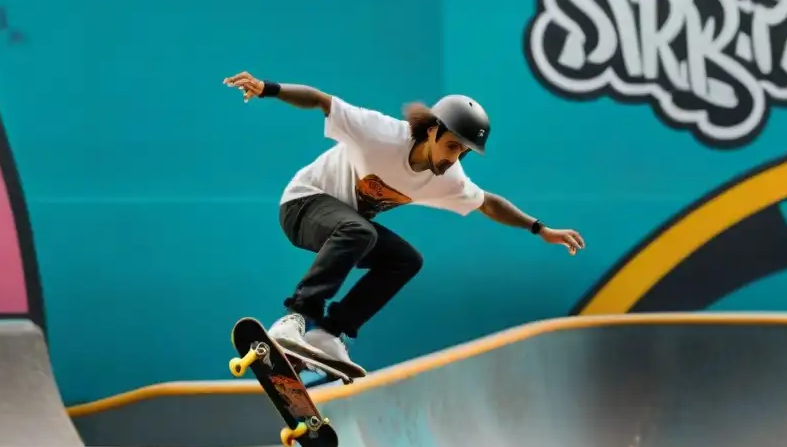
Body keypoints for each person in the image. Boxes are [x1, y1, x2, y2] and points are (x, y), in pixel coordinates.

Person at [223, 71, 585, 375]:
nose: (453, 158)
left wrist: (540, 229)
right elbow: (321, 100)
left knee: (405, 259)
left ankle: (329, 332)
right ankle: (296, 318)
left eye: (462, 152)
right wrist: (267, 88)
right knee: (358, 230)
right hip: (302, 205)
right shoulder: (380, 133)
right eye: (451, 146)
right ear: (432, 130)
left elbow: (488, 203)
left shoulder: (448, 178)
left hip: (345, 229)